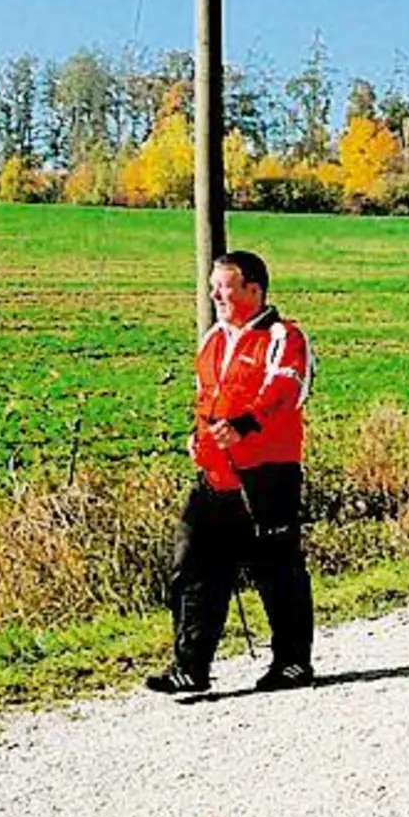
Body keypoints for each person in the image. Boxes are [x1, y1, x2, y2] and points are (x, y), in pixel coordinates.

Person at [147, 250, 317, 694]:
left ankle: (293, 663)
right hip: (215, 475)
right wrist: (196, 436)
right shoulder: (213, 340)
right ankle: (191, 666)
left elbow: (286, 387)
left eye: (225, 287)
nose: (215, 295)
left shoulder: (284, 336)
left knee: (276, 570)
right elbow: (206, 398)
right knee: (194, 566)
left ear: (253, 290)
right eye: (213, 288)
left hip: (268, 473)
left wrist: (246, 424)